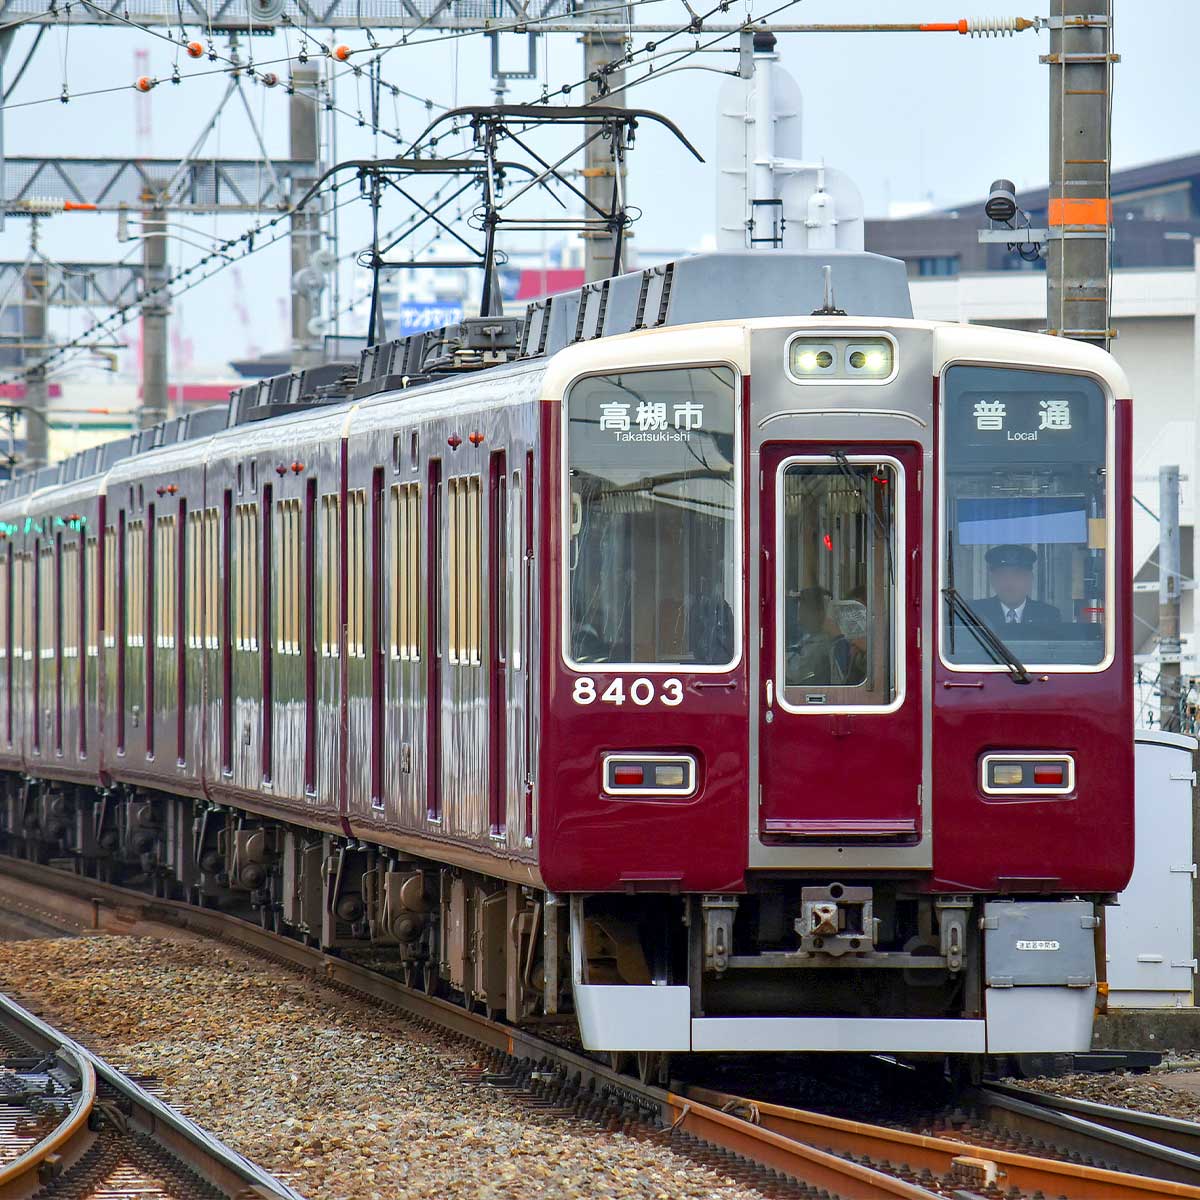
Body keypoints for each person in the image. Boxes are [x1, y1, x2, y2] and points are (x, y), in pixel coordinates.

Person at [973, 544, 1060, 630]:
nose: (1010, 582)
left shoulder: (1047, 615)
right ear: (993, 580)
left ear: (1030, 579)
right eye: (1003, 576)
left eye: (1018, 575)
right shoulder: (975, 612)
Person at [786, 586, 847, 686]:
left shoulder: (823, 644)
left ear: (820, 613)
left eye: (805, 611)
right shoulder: (808, 636)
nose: (800, 618)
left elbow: (794, 672)